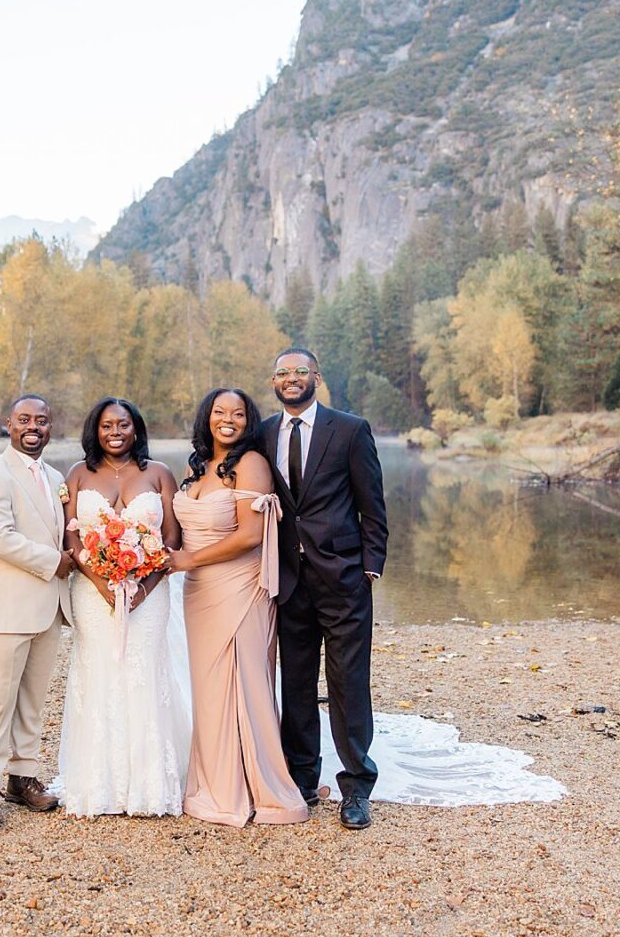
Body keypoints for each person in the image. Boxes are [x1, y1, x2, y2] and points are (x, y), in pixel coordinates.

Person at [167, 388, 309, 827]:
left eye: (238, 414)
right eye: (219, 412)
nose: (228, 420)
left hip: (240, 587)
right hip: (198, 592)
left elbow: (250, 535)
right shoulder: (196, 466)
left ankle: (253, 784)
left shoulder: (251, 464)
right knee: (209, 688)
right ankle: (214, 781)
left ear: (249, 421)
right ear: (206, 417)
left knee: (244, 683)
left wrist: (188, 559)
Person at [260, 348, 388, 830]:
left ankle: (356, 787)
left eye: (300, 371)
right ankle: (301, 779)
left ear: (316, 376)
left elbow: (372, 505)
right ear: (274, 381)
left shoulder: (350, 430)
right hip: (288, 581)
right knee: (295, 683)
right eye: (283, 373)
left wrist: (370, 568)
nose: (291, 379)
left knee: (348, 683)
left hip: (344, 579)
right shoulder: (264, 433)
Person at [53, 397, 189, 817]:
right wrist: (101, 583)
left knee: (143, 672)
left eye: (123, 425)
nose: (115, 432)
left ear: (136, 429)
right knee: (99, 671)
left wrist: (143, 589)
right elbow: (71, 539)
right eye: (107, 425)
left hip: (150, 592)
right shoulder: (77, 474)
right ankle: (100, 784)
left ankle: (148, 786)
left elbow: (172, 540)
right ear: (95, 430)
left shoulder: (159, 473)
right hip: (92, 593)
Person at [0, 394, 76, 830]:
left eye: (42, 420)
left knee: (33, 700)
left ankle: (23, 776)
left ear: (50, 427)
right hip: (8, 608)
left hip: (50, 607)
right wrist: (55, 562)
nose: (34, 427)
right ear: (8, 424)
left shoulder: (56, 477)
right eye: (25, 419)